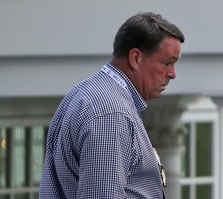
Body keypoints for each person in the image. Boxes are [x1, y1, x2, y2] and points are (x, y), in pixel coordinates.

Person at [40, 12, 185, 199]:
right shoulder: (111, 113)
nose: (172, 74)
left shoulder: (88, 94)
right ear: (135, 58)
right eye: (167, 63)